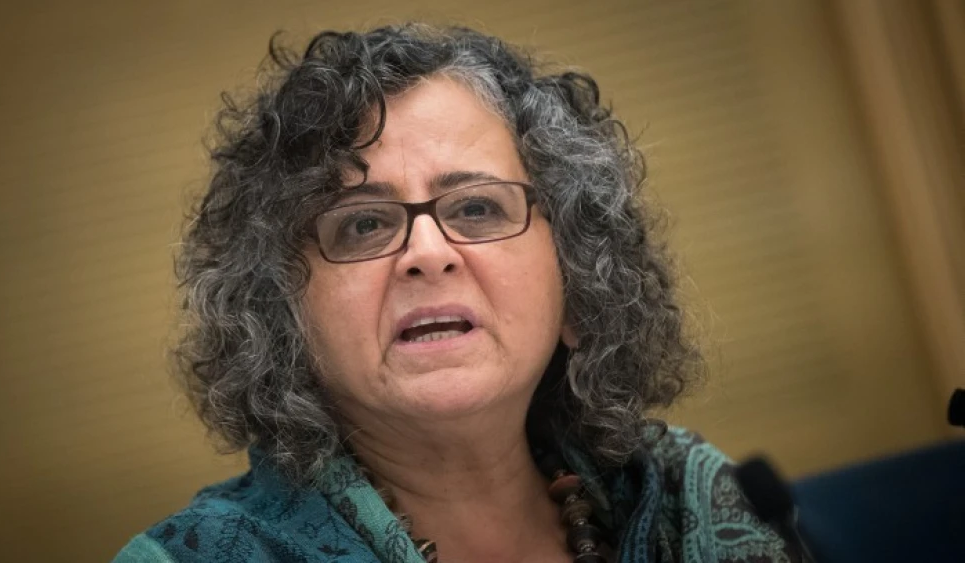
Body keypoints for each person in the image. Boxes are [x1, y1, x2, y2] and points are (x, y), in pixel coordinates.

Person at [114, 23, 798, 563]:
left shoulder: (696, 501)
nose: (428, 254)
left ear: (578, 282)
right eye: (362, 223)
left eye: (475, 208)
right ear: (281, 316)